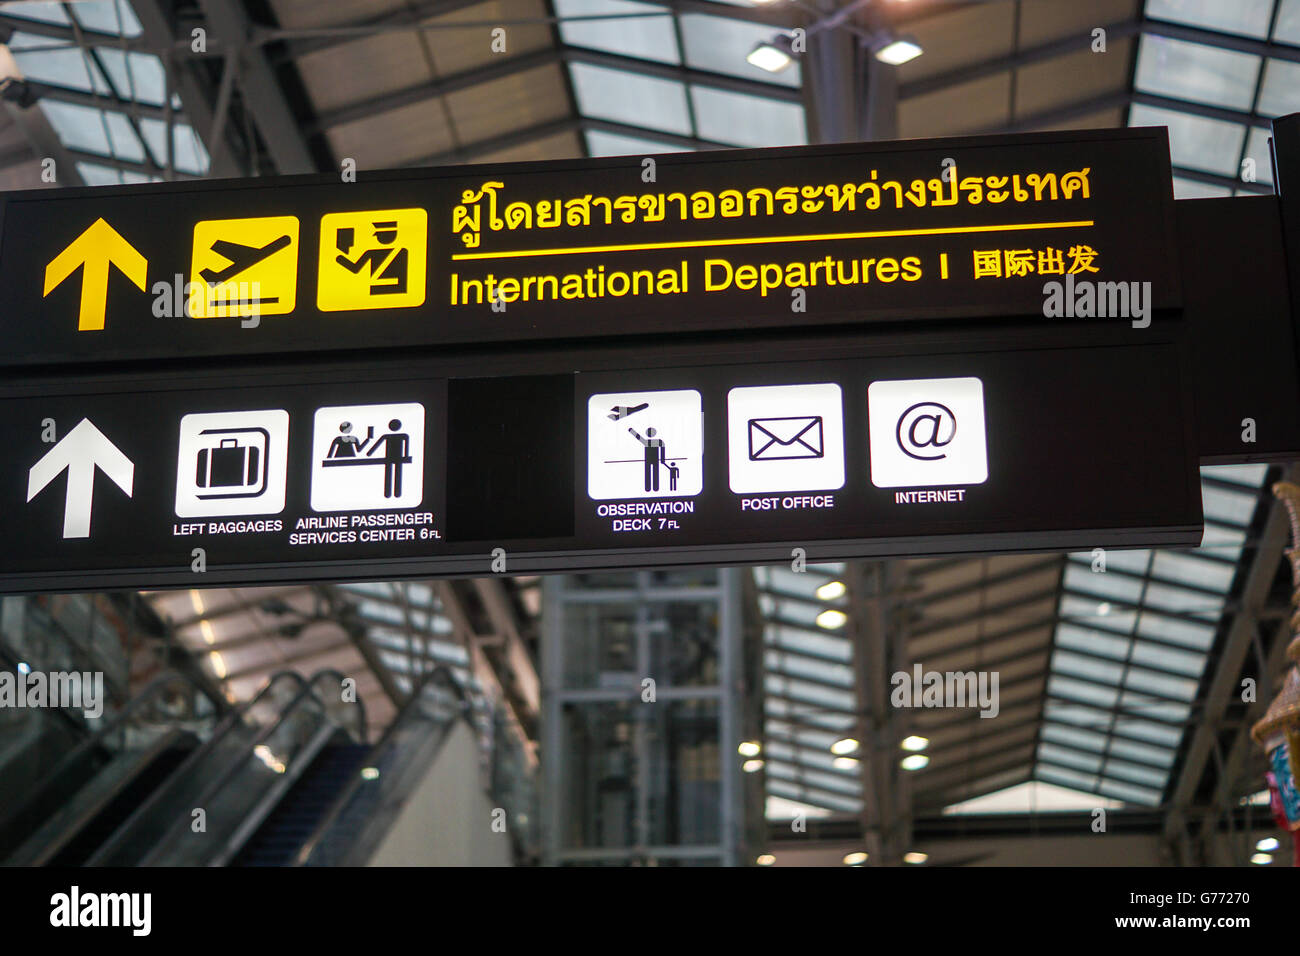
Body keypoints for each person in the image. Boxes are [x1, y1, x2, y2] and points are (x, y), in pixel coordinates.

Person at [366, 419, 410, 497]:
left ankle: (396, 493)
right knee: (391, 473)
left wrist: (406, 456)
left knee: (397, 473)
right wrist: (369, 453)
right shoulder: (392, 436)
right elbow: (377, 444)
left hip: (395, 458)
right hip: (391, 457)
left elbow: (406, 446)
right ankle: (389, 493)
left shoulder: (403, 436)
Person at [628, 426, 666, 493]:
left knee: (653, 473)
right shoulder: (654, 441)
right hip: (650, 460)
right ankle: (651, 488)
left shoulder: (652, 441)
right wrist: (662, 460)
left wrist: (662, 459)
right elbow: (638, 437)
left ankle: (654, 488)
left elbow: (663, 449)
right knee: (650, 473)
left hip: (652, 460)